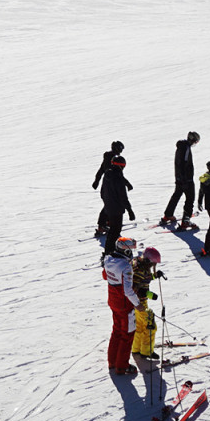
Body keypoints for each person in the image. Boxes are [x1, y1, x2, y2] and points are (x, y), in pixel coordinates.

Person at [103, 237, 135, 376]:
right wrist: (138, 304)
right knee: (127, 334)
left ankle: (112, 361)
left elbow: (105, 276)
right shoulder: (126, 267)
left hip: (113, 301)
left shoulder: (108, 259)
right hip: (124, 304)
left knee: (116, 330)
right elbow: (128, 290)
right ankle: (122, 366)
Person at [160, 132, 201, 228]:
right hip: (186, 179)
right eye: (195, 142)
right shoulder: (186, 148)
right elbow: (183, 164)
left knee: (176, 195)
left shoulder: (181, 147)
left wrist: (180, 178)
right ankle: (186, 221)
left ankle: (168, 215)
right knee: (190, 199)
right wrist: (185, 180)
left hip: (179, 178)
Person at [96, 154, 135, 250]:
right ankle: (109, 252)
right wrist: (130, 210)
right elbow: (123, 196)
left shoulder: (107, 175)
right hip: (117, 209)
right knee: (115, 231)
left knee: (112, 231)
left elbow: (102, 192)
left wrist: (107, 202)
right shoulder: (118, 177)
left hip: (109, 207)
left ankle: (108, 251)